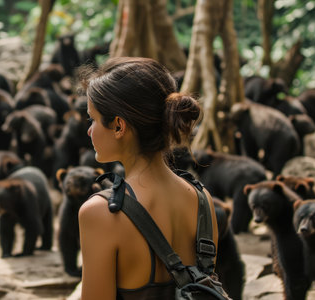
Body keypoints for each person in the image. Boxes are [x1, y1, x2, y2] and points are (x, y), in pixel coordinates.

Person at [78, 57, 219, 300]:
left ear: (119, 126)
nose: (89, 130)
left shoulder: (101, 213)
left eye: (92, 119)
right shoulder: (201, 199)